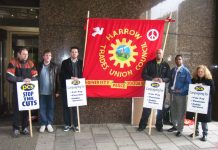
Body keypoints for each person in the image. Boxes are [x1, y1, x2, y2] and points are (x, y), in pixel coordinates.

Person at [6, 47, 38, 137]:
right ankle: (16, 128)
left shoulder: (30, 63)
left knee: (26, 110)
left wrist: (30, 79)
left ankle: (25, 127)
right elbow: (9, 76)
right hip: (16, 91)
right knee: (16, 110)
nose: (25, 56)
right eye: (23, 54)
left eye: (27, 54)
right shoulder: (13, 62)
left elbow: (35, 75)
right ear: (19, 54)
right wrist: (22, 80)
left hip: (27, 90)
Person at [138, 49, 170, 132]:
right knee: (147, 108)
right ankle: (142, 125)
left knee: (160, 109)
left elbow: (169, 78)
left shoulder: (166, 65)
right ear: (155, 54)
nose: (159, 54)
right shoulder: (149, 64)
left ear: (163, 54)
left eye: (160, 53)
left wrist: (162, 79)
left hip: (161, 91)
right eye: (157, 53)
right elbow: (143, 75)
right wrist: (152, 79)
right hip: (150, 90)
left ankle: (159, 126)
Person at [186, 65, 215, 141]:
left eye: (202, 71)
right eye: (198, 71)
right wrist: (193, 86)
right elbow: (190, 87)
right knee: (196, 118)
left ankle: (205, 134)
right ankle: (196, 132)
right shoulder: (194, 79)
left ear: (205, 72)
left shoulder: (209, 80)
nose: (200, 73)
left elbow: (213, 91)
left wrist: (204, 87)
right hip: (196, 102)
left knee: (204, 120)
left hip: (204, 104)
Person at [60, 46, 83, 132]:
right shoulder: (65, 62)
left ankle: (76, 125)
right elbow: (62, 74)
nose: (74, 53)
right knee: (66, 107)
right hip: (66, 87)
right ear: (70, 53)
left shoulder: (81, 63)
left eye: (76, 52)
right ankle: (67, 124)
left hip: (77, 88)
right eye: (72, 52)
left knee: (75, 106)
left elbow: (84, 74)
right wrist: (71, 77)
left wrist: (79, 79)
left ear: (78, 53)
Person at [167, 55, 191, 137]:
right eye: (176, 59)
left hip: (181, 95)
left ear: (182, 60)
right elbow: (170, 80)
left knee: (180, 112)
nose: (178, 61)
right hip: (172, 94)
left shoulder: (186, 71)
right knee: (173, 111)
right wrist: (169, 88)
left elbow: (188, 84)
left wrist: (180, 90)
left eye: (180, 59)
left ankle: (180, 129)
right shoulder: (173, 70)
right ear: (175, 61)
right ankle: (174, 125)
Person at [38, 49, 59, 133]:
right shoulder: (38, 66)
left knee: (51, 108)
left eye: (49, 55)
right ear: (43, 57)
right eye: (46, 55)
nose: (48, 57)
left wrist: (57, 91)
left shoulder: (55, 66)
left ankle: (49, 124)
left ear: (51, 57)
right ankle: (43, 124)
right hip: (41, 92)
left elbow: (57, 80)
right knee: (42, 108)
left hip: (51, 92)